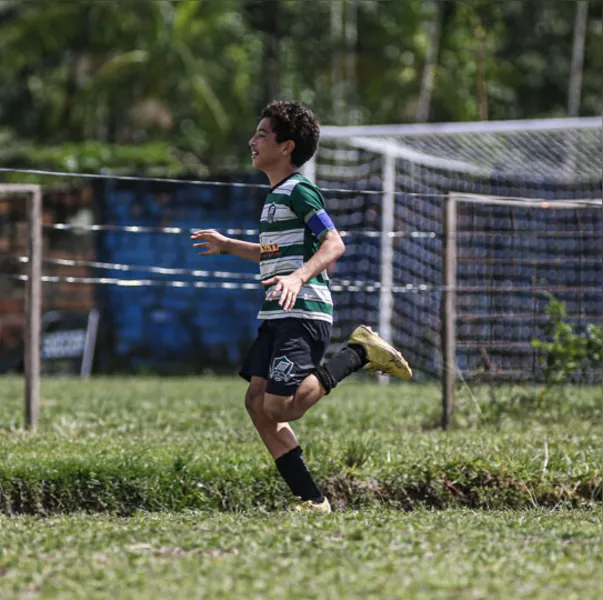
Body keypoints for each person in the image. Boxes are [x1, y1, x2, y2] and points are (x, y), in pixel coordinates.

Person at [191, 100, 412, 514]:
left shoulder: (300, 190)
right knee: (256, 403)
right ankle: (313, 501)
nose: (252, 141)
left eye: (262, 134)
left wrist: (297, 278)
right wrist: (227, 246)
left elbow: (334, 243)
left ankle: (361, 352)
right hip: (276, 313)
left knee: (278, 405)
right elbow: (273, 254)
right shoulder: (276, 195)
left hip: (303, 311)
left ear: (286, 146)